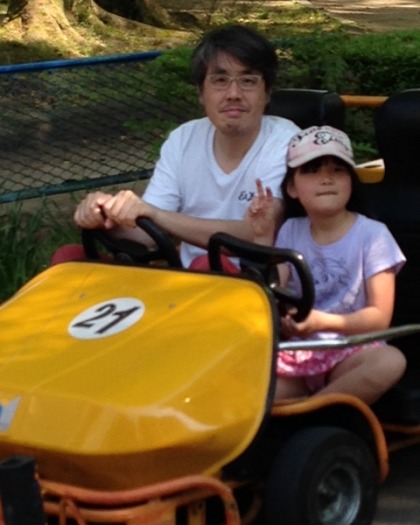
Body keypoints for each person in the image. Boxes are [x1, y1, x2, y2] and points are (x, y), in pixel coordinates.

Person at [53, 24, 300, 269]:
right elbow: (147, 234)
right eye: (220, 80)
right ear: (201, 93)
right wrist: (107, 215)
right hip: (187, 276)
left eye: (247, 81)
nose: (233, 93)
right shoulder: (183, 139)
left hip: (253, 280)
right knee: (69, 258)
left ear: (267, 92)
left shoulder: (287, 142)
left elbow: (255, 233)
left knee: (208, 265)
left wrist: (156, 215)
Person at [247, 125, 406, 405]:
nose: (326, 179)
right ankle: (317, 413)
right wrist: (262, 235)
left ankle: (312, 412)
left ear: (351, 181)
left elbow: (380, 318)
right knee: (247, 385)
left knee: (390, 361)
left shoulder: (373, 235)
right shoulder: (290, 230)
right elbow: (270, 292)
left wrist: (321, 322)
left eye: (337, 170)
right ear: (292, 188)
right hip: (300, 351)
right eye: (312, 170)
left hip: (353, 348)